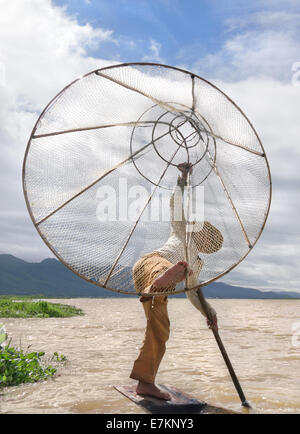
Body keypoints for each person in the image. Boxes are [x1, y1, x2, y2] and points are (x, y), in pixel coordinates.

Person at [130, 163, 223, 400]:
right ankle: (162, 280)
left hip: (160, 285)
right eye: (204, 232)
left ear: (208, 246)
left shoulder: (196, 265)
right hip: (154, 263)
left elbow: (193, 293)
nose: (203, 236)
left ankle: (145, 382)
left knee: (160, 328)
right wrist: (183, 178)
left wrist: (209, 312)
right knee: (169, 272)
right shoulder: (181, 230)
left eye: (207, 238)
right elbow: (177, 204)